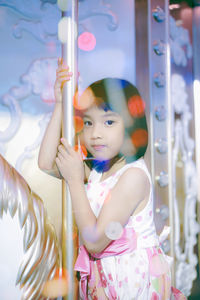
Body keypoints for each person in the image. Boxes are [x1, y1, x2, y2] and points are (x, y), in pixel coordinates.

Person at [38, 58, 186, 300]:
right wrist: (60, 104)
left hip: (131, 282)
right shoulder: (98, 170)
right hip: (105, 279)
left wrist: (76, 182)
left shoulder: (133, 177)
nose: (95, 134)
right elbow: (46, 163)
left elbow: (95, 242)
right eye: (88, 123)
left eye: (109, 122)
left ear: (130, 125)